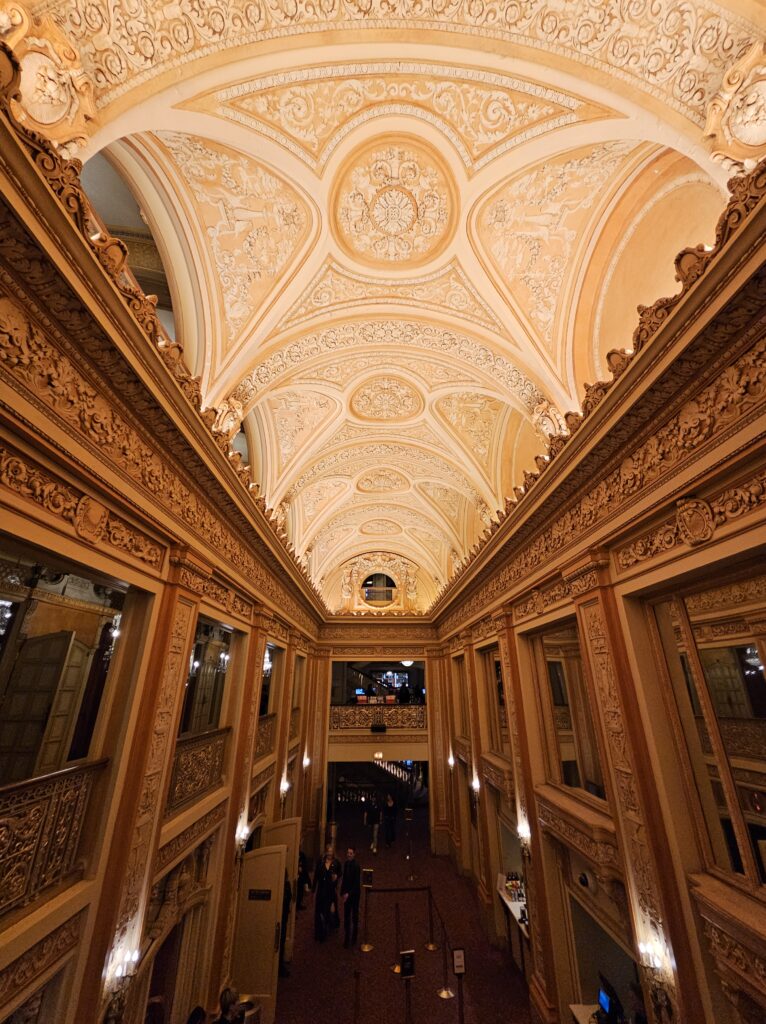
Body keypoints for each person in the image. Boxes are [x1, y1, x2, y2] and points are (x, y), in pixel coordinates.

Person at [312, 845, 340, 941]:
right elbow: (316, 876)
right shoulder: (321, 862)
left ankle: (329, 926)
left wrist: (336, 877)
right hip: (321, 890)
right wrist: (313, 890)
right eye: (328, 851)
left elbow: (340, 873)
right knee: (320, 911)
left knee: (330, 911)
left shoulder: (336, 863)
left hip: (331, 890)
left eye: (331, 852)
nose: (329, 853)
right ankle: (321, 932)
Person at [340, 845, 362, 948]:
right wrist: (343, 892)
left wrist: (349, 894)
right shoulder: (346, 864)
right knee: (347, 917)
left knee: (354, 916)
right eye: (348, 853)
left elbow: (356, 883)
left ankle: (354, 937)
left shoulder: (356, 866)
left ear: (354, 854)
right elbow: (344, 880)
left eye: (351, 853)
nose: (348, 855)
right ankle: (347, 937)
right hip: (347, 895)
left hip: (354, 895)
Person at [279, 869, 292, 977]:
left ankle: (279, 965)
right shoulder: (280, 886)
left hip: (283, 917)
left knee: (282, 940)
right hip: (279, 917)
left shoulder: (286, 885)